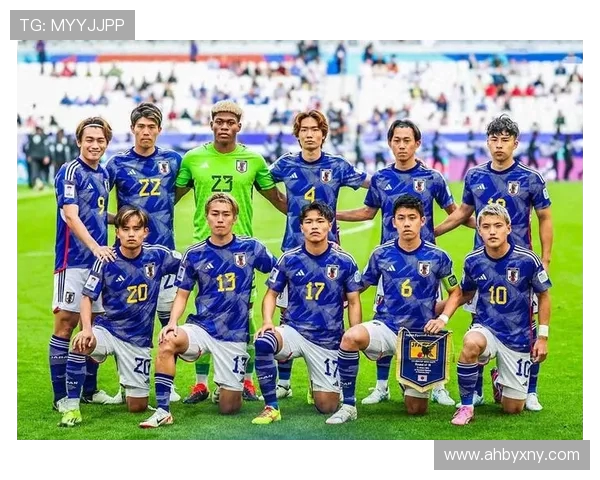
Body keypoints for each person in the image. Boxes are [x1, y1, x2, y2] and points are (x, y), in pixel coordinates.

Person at [337, 119, 473, 407]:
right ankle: (381, 386)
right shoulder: (381, 177)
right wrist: (333, 216)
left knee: (428, 320)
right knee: (386, 317)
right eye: (396, 140)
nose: (401, 145)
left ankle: (437, 386)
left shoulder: (433, 177)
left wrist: (438, 231)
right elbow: (367, 212)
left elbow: (456, 212)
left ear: (417, 143)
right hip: (388, 263)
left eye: (407, 140)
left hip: (426, 263)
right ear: (390, 143)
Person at [434, 114, 553, 411]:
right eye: (494, 139)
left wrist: (546, 258)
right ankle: (475, 391)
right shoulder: (475, 176)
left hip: (521, 266)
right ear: (487, 142)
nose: (499, 145)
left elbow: (545, 217)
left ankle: (530, 390)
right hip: (483, 263)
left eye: (505, 140)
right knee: (478, 321)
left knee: (527, 325)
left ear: (515, 143)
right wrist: (432, 232)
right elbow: (463, 213)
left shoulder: (531, 178)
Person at [175, 100, 287, 403]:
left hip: (242, 251)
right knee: (203, 313)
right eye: (219, 121)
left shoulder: (254, 160)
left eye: (230, 122)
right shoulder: (192, 159)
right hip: (203, 249)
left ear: (239, 125)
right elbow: (169, 197)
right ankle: (200, 383)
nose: (224, 126)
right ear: (211, 123)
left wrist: (309, 220)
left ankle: (246, 380)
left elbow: (276, 198)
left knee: (244, 315)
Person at [139, 193, 277, 427]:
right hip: (201, 327)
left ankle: (224, 387)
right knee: (167, 341)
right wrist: (172, 323)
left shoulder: (251, 248)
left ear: (235, 218)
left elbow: (281, 271)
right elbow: (182, 294)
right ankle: (163, 410)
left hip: (233, 335)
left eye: (226, 214)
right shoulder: (194, 254)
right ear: (207, 217)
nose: (220, 219)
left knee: (229, 408)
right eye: (215, 214)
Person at [325, 195, 462, 424]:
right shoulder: (381, 253)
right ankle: (348, 405)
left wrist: (443, 318)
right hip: (387, 327)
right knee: (350, 338)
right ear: (393, 222)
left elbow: (456, 292)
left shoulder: (438, 257)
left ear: (422, 221)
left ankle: (405, 375)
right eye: (401, 218)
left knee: (416, 409)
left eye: (412, 218)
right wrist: (335, 259)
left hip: (420, 337)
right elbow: (359, 284)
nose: (407, 223)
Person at [268, 110, 369, 402]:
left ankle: (320, 379)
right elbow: (261, 182)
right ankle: (284, 382)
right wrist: (285, 207)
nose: (309, 134)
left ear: (323, 134)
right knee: (287, 316)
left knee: (328, 313)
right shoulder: (285, 163)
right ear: (297, 134)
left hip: (330, 253)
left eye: (315, 129)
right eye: (304, 129)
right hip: (292, 250)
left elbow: (371, 183)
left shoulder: (337, 165)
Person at [58, 206, 182, 427]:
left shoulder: (158, 255)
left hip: (138, 341)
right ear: (117, 232)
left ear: (145, 232)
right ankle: (72, 407)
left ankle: (128, 386)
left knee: (137, 407)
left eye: (136, 229)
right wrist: (86, 329)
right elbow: (86, 297)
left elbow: (190, 263)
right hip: (108, 330)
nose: (131, 234)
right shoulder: (106, 259)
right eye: (125, 229)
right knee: (80, 343)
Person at [251, 201, 362, 424]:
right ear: (301, 227)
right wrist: (267, 321)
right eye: (309, 222)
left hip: (327, 339)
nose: (314, 226)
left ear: (329, 225)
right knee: (264, 342)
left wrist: (354, 332)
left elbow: (354, 301)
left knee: (327, 406)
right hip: (294, 331)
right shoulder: (289, 259)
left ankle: (317, 384)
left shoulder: (344, 260)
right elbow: (271, 294)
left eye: (320, 221)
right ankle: (271, 407)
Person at [105, 102, 183, 402]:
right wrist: (119, 221)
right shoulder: (117, 163)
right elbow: (99, 202)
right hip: (127, 258)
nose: (146, 131)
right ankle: (125, 384)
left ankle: (167, 384)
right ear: (132, 129)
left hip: (163, 255)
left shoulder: (173, 161)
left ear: (159, 130)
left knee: (167, 319)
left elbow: (179, 191)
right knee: (125, 322)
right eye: (141, 127)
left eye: (151, 127)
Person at [450, 204, 551, 425]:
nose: (492, 231)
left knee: (512, 409)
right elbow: (465, 293)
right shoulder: (473, 260)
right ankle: (466, 406)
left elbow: (544, 295)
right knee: (471, 343)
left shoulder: (528, 260)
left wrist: (542, 337)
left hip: (517, 337)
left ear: (508, 228)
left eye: (497, 226)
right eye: (486, 227)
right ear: (479, 230)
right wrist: (441, 312)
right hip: (486, 329)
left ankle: (499, 381)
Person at [49, 117, 116, 413]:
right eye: (89, 139)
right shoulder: (70, 171)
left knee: (95, 325)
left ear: (107, 143)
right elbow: (71, 215)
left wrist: (123, 220)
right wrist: (95, 247)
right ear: (79, 141)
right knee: (66, 323)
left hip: (98, 263)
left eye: (100, 140)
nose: (95, 145)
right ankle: (60, 396)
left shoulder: (103, 173)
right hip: (73, 261)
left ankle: (89, 390)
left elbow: (97, 212)